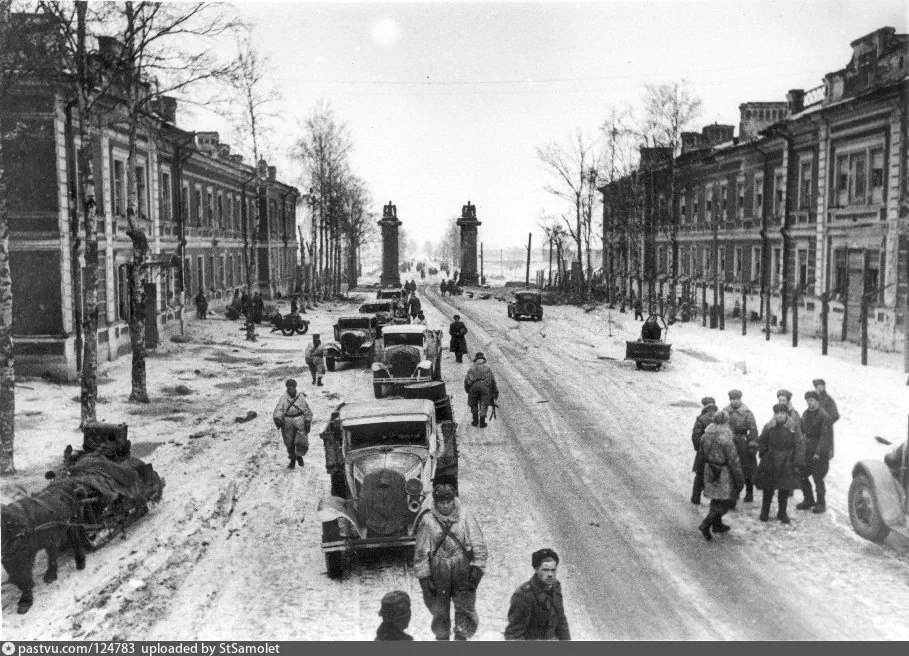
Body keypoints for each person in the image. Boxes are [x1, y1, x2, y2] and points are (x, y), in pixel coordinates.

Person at [414, 484, 488, 641]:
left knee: (465, 607)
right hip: (438, 569)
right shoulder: (428, 521)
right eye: (441, 502)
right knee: (439, 611)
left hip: (461, 567)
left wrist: (477, 569)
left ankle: (461, 636)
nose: (445, 505)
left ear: (454, 500)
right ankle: (442, 639)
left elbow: (478, 544)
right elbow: (421, 552)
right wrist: (424, 578)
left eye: (448, 501)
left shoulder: (465, 516)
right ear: (436, 503)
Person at [696, 410, 745, 540]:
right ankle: (706, 524)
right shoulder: (725, 438)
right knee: (725, 500)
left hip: (709, 470)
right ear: (726, 422)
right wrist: (739, 480)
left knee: (715, 497)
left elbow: (701, 454)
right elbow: (733, 460)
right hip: (722, 471)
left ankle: (717, 525)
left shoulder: (705, 436)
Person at [504, 548, 571, 641]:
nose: (550, 574)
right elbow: (514, 634)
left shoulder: (556, 587)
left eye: (553, 570)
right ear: (536, 569)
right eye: (545, 570)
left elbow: (561, 621)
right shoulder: (523, 595)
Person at [755, 403, 804, 523]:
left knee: (784, 488)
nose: (780, 416)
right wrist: (763, 453)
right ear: (774, 414)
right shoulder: (769, 426)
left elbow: (799, 444)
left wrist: (797, 461)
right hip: (770, 460)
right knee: (768, 488)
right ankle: (764, 511)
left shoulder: (793, 427)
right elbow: (762, 440)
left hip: (786, 461)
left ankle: (782, 513)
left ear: (786, 414)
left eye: (782, 413)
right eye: (777, 413)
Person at [798, 391, 833, 513]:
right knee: (801, 475)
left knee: (818, 478)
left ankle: (821, 503)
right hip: (807, 450)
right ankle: (808, 500)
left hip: (819, 453)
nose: (809, 402)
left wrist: (818, 452)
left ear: (817, 401)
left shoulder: (824, 416)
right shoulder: (806, 413)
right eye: (807, 400)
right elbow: (802, 431)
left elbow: (825, 437)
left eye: (812, 400)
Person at [724, 389, 759, 502]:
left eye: (737, 399)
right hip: (729, 442)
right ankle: (733, 493)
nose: (735, 401)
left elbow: (753, 429)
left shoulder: (747, 412)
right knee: (731, 468)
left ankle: (749, 493)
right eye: (733, 399)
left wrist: (752, 444)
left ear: (740, 399)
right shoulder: (725, 411)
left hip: (743, 442)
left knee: (747, 468)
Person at [272, 379, 312, 469]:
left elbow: (306, 409)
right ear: (287, 388)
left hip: (299, 419)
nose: (291, 389)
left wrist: (307, 420)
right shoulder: (283, 398)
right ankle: (292, 460)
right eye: (289, 387)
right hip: (287, 421)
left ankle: (299, 456)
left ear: (295, 387)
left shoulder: (300, 397)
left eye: (292, 387)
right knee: (289, 442)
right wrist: (278, 419)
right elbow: (278, 410)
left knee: (301, 440)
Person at [690, 399, 718, 505]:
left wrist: (699, 448)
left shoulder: (701, 418)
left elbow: (695, 436)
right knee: (715, 475)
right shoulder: (719, 418)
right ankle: (714, 501)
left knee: (700, 475)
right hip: (716, 453)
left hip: (703, 452)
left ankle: (695, 498)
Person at [464, 352, 499, 428]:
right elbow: (493, 381)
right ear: (483, 359)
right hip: (484, 386)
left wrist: (468, 391)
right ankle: (482, 422)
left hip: (473, 386)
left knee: (474, 403)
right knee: (484, 404)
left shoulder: (471, 369)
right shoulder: (487, 368)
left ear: (475, 360)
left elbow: (467, 381)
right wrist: (495, 393)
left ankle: (475, 421)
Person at [813, 379, 839, 459]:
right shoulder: (813, 399)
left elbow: (835, 415)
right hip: (814, 428)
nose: (819, 389)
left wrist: (826, 423)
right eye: (817, 387)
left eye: (821, 387)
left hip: (825, 429)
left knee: (824, 453)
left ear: (824, 387)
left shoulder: (828, 400)